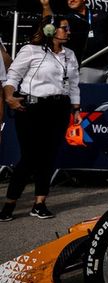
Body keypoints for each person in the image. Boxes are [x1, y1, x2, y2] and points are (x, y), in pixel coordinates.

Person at [1, 16, 80, 221]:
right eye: (64, 28)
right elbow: (13, 77)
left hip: (59, 108)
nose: (68, 31)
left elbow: (74, 85)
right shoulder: (31, 50)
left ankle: (39, 203)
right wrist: (9, 96)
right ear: (49, 30)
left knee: (49, 156)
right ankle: (9, 204)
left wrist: (76, 109)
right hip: (33, 108)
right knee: (29, 157)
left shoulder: (69, 55)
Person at [38, 0, 108, 83]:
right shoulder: (67, 19)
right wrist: (46, 6)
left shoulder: (101, 14)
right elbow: (49, 26)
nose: (71, 0)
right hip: (86, 66)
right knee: (87, 96)